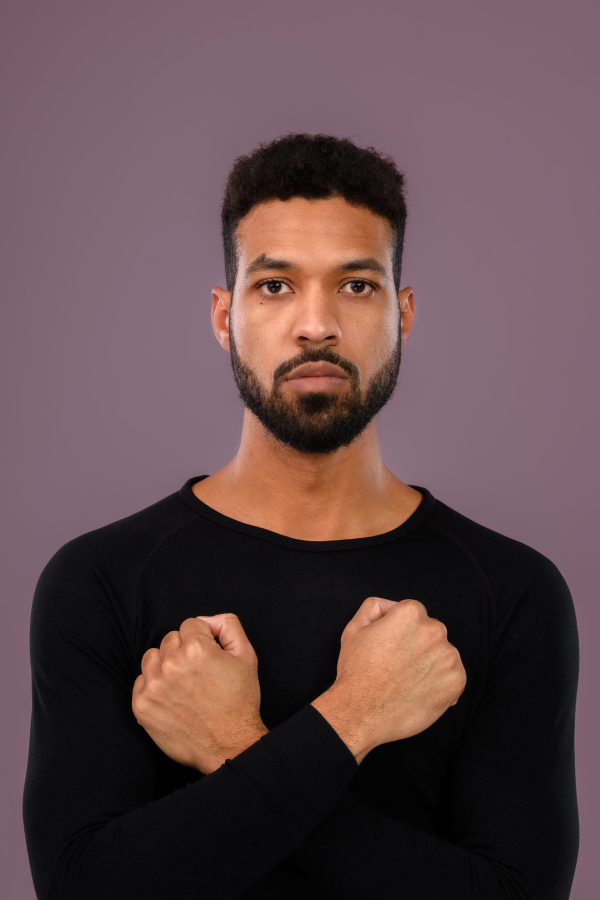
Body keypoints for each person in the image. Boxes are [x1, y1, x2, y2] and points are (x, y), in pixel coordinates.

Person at [23, 132, 579, 900]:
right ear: (224, 316)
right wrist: (355, 716)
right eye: (275, 286)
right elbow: (85, 888)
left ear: (403, 313)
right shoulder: (99, 582)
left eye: (356, 286)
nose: (315, 325)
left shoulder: (513, 591)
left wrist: (233, 745)